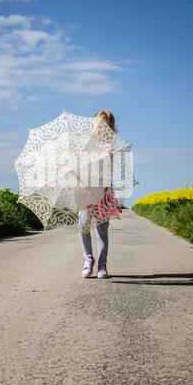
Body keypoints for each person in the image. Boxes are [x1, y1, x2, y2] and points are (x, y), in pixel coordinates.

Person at [78, 110, 122, 279]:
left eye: (104, 126)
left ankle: (102, 265)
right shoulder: (84, 145)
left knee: (102, 231)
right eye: (97, 125)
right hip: (84, 191)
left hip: (102, 193)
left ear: (110, 129)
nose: (99, 129)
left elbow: (106, 168)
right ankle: (88, 258)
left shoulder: (109, 148)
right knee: (83, 226)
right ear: (92, 126)